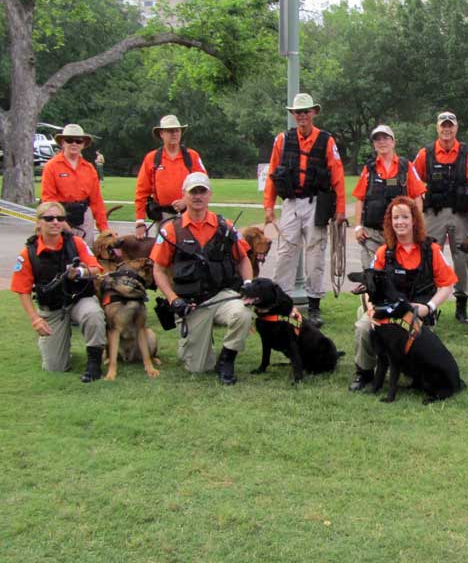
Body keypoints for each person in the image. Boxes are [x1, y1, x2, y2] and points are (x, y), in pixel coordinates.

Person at [151, 173, 254, 385]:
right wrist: (172, 299)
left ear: (209, 195)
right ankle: (193, 345)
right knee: (198, 368)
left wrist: (248, 286)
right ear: (184, 196)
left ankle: (227, 360)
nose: (198, 196)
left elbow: (243, 259)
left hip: (221, 295)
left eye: (202, 191)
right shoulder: (171, 230)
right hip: (192, 302)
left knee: (242, 313)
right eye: (193, 192)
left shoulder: (224, 225)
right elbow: (158, 270)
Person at [349, 196, 458, 391]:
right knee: (364, 326)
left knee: (415, 372)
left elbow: (447, 286)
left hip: (418, 315)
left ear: (414, 220)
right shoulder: (384, 252)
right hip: (385, 313)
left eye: (405, 217)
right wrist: (372, 310)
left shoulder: (432, 250)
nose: (400, 222)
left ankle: (410, 372)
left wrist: (429, 307)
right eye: (395, 218)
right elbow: (368, 286)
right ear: (390, 222)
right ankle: (364, 373)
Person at [263, 93, 347, 328]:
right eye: (298, 112)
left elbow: (338, 176)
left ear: (314, 113)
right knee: (285, 254)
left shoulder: (327, 141)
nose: (301, 115)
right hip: (290, 203)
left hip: (316, 204)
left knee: (315, 255)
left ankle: (314, 306)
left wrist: (340, 209)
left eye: (306, 111)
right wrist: (268, 206)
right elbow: (272, 174)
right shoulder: (282, 140)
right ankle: (282, 303)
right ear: (293, 115)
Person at [11, 202, 106, 382]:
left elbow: (96, 269)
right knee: (54, 367)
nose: (55, 222)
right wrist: (35, 319)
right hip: (53, 308)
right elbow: (21, 290)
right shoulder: (28, 253)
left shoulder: (76, 243)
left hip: (78, 300)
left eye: (60, 218)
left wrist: (79, 272)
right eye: (49, 218)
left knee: (93, 313)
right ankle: (56, 343)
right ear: (38, 222)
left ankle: (94, 363)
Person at [412, 111, 468, 324]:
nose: (447, 129)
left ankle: (461, 305)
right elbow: (413, 179)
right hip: (433, 214)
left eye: (450, 125)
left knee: (461, 259)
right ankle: (428, 304)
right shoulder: (425, 154)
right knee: (428, 257)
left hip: (460, 214)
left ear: (456, 128)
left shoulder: (467, 153)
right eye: (443, 125)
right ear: (437, 128)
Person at [352, 125, 426, 269]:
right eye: (377, 139)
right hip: (372, 233)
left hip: (400, 232)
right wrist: (357, 227)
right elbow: (360, 198)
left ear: (393, 142)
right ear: (374, 145)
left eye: (386, 138)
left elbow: (417, 197)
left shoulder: (406, 167)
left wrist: (416, 223)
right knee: (371, 272)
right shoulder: (369, 168)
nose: (382, 142)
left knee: (399, 272)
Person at [134, 114, 206, 240]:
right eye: (170, 131)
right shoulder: (152, 158)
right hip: (164, 216)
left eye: (177, 130)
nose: (174, 134)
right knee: (163, 254)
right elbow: (141, 191)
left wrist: (186, 201)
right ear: (161, 134)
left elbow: (204, 186)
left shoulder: (192, 156)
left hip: (190, 214)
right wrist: (140, 221)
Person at [41, 124, 110, 245]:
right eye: (69, 140)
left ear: (83, 144)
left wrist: (104, 228)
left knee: (86, 252)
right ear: (62, 143)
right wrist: (61, 222)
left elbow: (96, 201)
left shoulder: (89, 169)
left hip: (84, 215)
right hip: (59, 215)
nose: (74, 144)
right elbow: (49, 198)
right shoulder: (51, 166)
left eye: (78, 141)